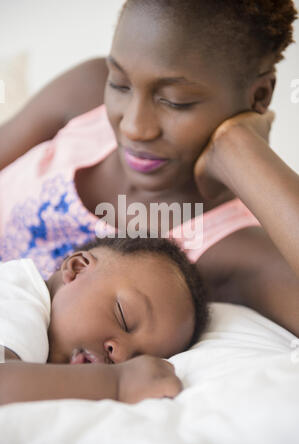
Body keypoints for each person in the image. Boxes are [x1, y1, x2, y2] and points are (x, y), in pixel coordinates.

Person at [0, 1, 298, 334]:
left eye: (175, 101)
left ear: (259, 96)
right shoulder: (87, 90)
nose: (134, 127)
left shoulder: (233, 247)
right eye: (120, 84)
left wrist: (240, 149)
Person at [0, 236, 208, 405]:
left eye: (135, 359)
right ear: (77, 268)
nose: (121, 354)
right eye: (124, 319)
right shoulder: (18, 295)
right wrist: (119, 383)